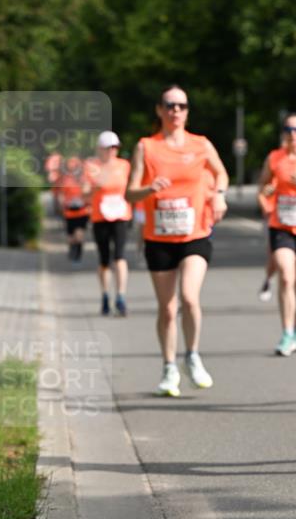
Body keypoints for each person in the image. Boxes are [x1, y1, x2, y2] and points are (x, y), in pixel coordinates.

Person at [125, 85, 229, 395]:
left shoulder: (201, 145)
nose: (176, 111)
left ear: (187, 110)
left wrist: (220, 197)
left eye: (182, 106)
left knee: (189, 297)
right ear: (159, 110)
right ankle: (169, 367)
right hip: (158, 237)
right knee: (167, 308)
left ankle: (193, 356)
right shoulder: (146, 146)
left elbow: (221, 174)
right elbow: (130, 193)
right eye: (170, 106)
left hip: (194, 233)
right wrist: (149, 189)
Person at [258, 114, 296, 355]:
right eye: (288, 129)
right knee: (285, 275)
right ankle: (287, 333)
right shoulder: (274, 157)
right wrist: (266, 194)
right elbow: (263, 187)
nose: (292, 133)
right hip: (281, 225)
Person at [84, 131, 132, 316]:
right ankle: (105, 295)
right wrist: (95, 187)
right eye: (108, 148)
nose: (111, 151)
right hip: (100, 217)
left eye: (114, 147)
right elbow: (84, 193)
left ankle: (120, 296)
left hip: (120, 215)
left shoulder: (124, 165)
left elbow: (130, 189)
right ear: (100, 149)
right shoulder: (91, 167)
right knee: (104, 259)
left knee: (119, 256)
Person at [58, 156, 89, 263]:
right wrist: (62, 206)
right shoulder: (65, 180)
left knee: (79, 234)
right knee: (71, 237)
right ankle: (72, 250)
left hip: (82, 211)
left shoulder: (83, 180)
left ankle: (78, 252)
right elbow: (61, 195)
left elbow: (88, 193)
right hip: (69, 212)